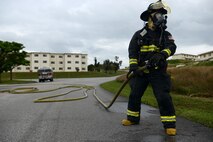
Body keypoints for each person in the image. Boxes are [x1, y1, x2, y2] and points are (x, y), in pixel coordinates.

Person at [121, 1, 177, 136]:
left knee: (163, 97)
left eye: (163, 15)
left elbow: (172, 47)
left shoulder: (165, 34)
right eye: (159, 14)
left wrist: (162, 54)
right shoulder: (139, 34)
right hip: (141, 71)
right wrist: (133, 66)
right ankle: (132, 118)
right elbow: (132, 51)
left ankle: (169, 125)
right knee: (134, 95)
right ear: (150, 17)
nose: (161, 17)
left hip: (158, 72)